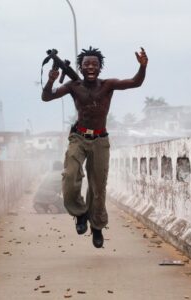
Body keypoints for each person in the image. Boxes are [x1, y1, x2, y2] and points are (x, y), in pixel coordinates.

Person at [42, 46, 148, 248]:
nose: (90, 67)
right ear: (80, 68)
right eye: (86, 64)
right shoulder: (74, 86)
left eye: (94, 64)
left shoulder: (108, 85)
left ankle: (97, 226)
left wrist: (142, 66)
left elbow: (135, 82)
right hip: (79, 138)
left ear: (100, 68)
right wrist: (51, 80)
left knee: (98, 186)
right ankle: (80, 213)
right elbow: (46, 97)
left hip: (100, 140)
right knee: (70, 175)